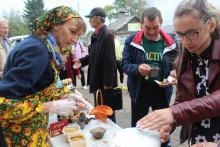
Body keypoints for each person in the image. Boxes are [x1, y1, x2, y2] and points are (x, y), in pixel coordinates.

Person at [0, 6, 91, 146]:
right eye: (72, 32)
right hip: (20, 136)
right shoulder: (36, 50)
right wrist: (51, 106)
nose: (75, 40)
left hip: (34, 129)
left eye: (78, 35)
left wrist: (67, 95)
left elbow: (38, 89)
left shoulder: (46, 47)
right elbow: (3, 104)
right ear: (55, 25)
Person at [136, 0, 220, 146]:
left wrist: (175, 113)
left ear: (211, 26)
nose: (186, 41)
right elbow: (183, 97)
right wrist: (170, 123)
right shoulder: (184, 59)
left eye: (192, 33)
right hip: (198, 136)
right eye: (180, 34)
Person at [120, 7, 177, 147]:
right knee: (139, 127)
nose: (151, 32)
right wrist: (137, 68)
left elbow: (179, 65)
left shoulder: (172, 42)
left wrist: (175, 74)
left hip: (162, 91)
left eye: (155, 27)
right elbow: (124, 64)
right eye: (147, 28)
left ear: (161, 23)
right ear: (141, 24)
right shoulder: (131, 41)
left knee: (163, 129)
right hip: (140, 91)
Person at [73, 7, 118, 123]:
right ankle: (103, 134)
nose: (89, 21)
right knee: (99, 110)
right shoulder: (95, 35)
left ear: (98, 19)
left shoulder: (107, 35)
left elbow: (110, 60)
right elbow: (93, 55)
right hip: (98, 79)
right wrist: (82, 61)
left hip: (104, 83)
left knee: (107, 112)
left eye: (91, 18)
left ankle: (112, 135)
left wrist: (108, 82)